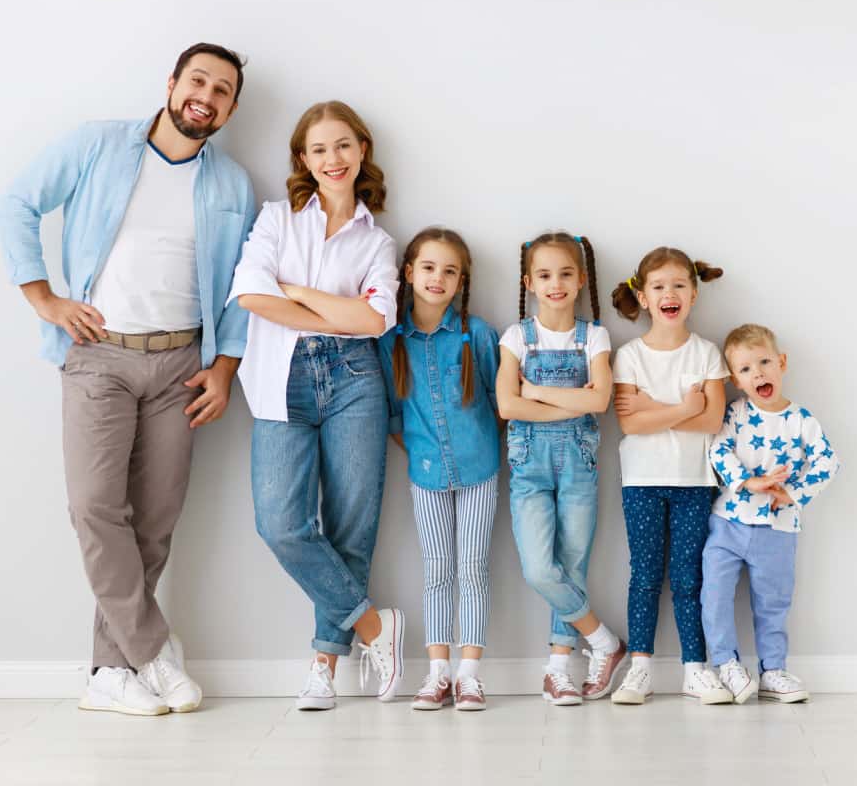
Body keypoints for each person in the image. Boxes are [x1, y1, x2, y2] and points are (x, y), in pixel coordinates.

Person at [0, 43, 256, 715]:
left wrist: (225, 371)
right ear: (172, 84)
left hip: (181, 366)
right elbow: (17, 202)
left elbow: (239, 290)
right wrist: (44, 298)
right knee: (94, 507)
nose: (207, 94)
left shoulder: (232, 183)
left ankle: (108, 674)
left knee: (156, 522)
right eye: (197, 79)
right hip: (97, 355)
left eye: (222, 90)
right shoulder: (98, 145)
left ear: (229, 110)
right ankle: (153, 653)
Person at [228, 101, 403, 711]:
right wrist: (333, 308)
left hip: (356, 379)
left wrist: (297, 292)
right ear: (303, 158)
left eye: (344, 146)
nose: (333, 159)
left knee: (352, 527)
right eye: (320, 149)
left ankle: (324, 665)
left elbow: (377, 319)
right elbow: (252, 294)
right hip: (280, 377)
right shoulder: (277, 219)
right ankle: (374, 626)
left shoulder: (378, 239)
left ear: (362, 151)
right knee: (280, 523)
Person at [497, 232, 626, 706]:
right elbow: (508, 405)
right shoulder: (516, 337)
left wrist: (537, 393)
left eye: (565, 274)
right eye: (546, 275)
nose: (556, 283)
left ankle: (558, 669)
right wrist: (560, 404)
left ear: (581, 280)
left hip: (579, 463)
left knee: (571, 566)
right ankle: (605, 642)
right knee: (539, 568)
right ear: (529, 283)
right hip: (529, 466)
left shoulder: (594, 336)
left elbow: (600, 399)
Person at [379, 228, 500, 711]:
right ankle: (437, 673)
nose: (438, 278)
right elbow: (393, 413)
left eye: (449, 271)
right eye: (428, 268)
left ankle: (470, 675)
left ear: (461, 281)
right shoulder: (392, 340)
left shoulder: (479, 335)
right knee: (436, 571)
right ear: (409, 273)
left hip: (480, 470)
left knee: (472, 568)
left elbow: (499, 401)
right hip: (425, 475)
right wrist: (423, 454)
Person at [609, 246, 733, 705]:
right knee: (644, 575)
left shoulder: (705, 354)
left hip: (695, 483)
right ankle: (640, 668)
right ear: (642, 297)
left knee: (688, 578)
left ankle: (694, 669)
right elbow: (629, 424)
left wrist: (654, 408)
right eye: (659, 286)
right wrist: (685, 406)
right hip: (641, 480)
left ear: (694, 295)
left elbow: (712, 421)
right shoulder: (629, 356)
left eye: (679, 285)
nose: (670, 294)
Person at [701, 323, 840, 704]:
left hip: (778, 528)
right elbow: (718, 451)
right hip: (728, 521)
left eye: (764, 362)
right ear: (735, 380)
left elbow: (828, 462)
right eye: (746, 369)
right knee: (714, 596)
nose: (758, 373)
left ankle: (773, 671)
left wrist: (791, 493)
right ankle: (726, 663)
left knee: (773, 602)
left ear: (781, 363)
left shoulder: (801, 420)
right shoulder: (735, 414)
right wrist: (748, 482)